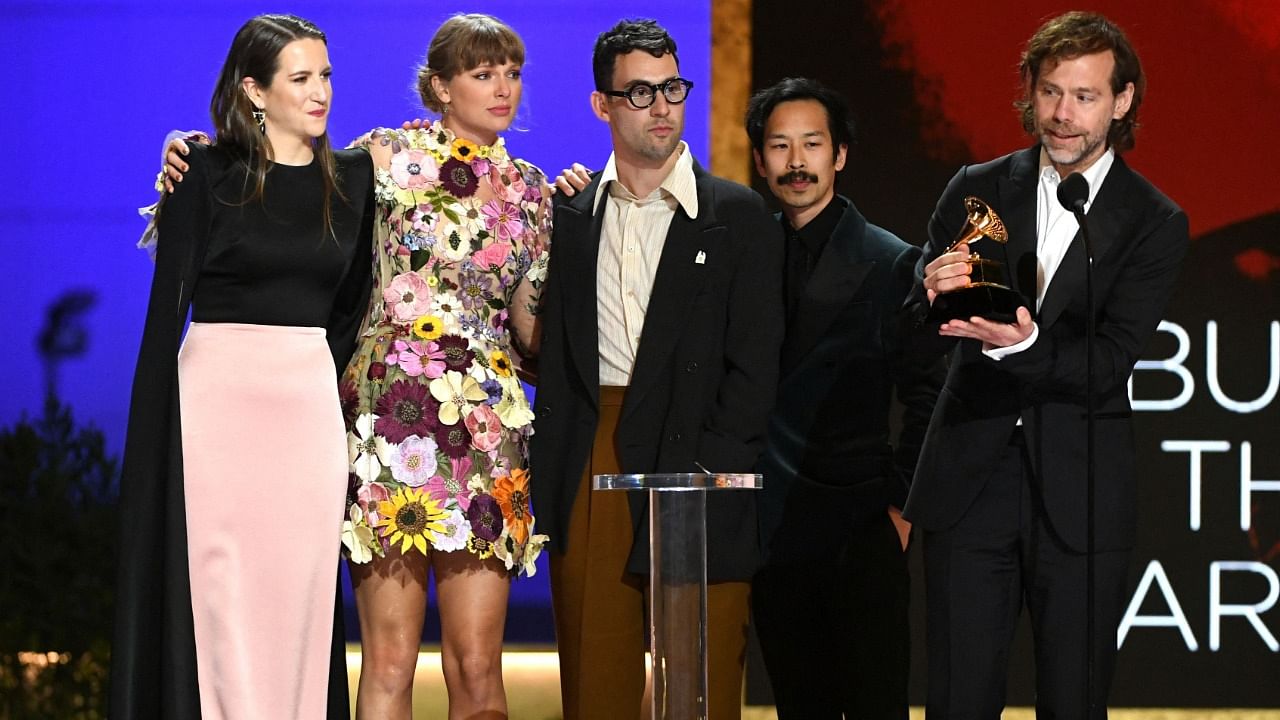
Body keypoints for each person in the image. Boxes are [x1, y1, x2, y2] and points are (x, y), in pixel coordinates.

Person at [154, 14, 551, 720]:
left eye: (512, 73)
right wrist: (189, 155)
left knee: (478, 665)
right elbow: (281, 183)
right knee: (390, 659)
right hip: (385, 428)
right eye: (482, 72)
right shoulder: (383, 159)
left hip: (486, 435)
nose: (503, 89)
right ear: (439, 86)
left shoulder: (534, 192)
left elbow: (528, 323)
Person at [903, 11, 1189, 718]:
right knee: (957, 700)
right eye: (1050, 92)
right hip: (970, 487)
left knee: (1072, 703)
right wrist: (925, 292)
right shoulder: (975, 189)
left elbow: (1110, 360)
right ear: (1029, 92)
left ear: (1121, 102)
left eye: (1084, 96)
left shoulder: (1154, 221)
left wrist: (1024, 345)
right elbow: (915, 336)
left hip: (1081, 495)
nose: (1062, 115)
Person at [112, 14, 373, 719]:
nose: (320, 92)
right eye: (301, 78)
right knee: (220, 597)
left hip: (306, 410)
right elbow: (168, 306)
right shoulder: (204, 171)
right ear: (254, 90)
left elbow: (350, 309)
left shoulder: (354, 178)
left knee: (301, 595)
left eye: (325, 76)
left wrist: (313, 374)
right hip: (216, 407)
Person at [528, 18, 784, 720]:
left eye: (671, 86)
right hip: (596, 446)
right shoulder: (572, 215)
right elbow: (548, 349)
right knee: (595, 672)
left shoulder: (738, 215)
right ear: (601, 105)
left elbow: (758, 363)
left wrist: (718, 462)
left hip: (702, 449)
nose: (662, 106)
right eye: (639, 92)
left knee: (696, 679)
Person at [744, 77, 944, 720]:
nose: (796, 162)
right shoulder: (744, 258)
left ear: (841, 155)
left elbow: (932, 392)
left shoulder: (891, 262)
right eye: (780, 146)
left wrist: (900, 516)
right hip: (772, 529)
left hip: (863, 528)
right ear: (759, 159)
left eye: (812, 144)